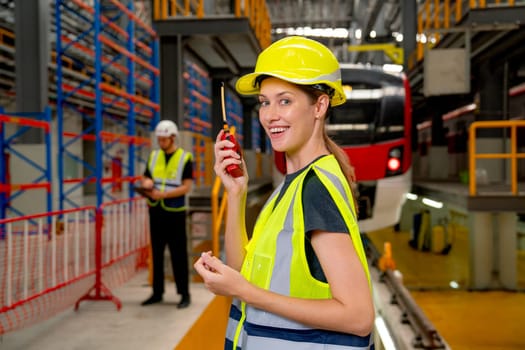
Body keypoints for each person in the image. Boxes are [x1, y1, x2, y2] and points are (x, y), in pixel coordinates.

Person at [194, 36, 374, 349]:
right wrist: (236, 192)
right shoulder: (290, 187)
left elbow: (358, 317)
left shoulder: (316, 189)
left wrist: (246, 292)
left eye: (285, 101)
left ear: (319, 105)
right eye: (265, 102)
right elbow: (243, 273)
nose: (269, 115)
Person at [141, 119, 193, 308]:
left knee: (178, 254)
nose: (161, 143)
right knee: (157, 253)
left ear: (173, 138)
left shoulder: (185, 158)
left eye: (164, 139)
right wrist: (146, 182)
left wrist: (164, 193)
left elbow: (186, 187)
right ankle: (157, 292)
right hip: (156, 211)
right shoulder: (154, 156)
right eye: (159, 139)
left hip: (175, 213)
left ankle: (184, 294)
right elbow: (147, 175)